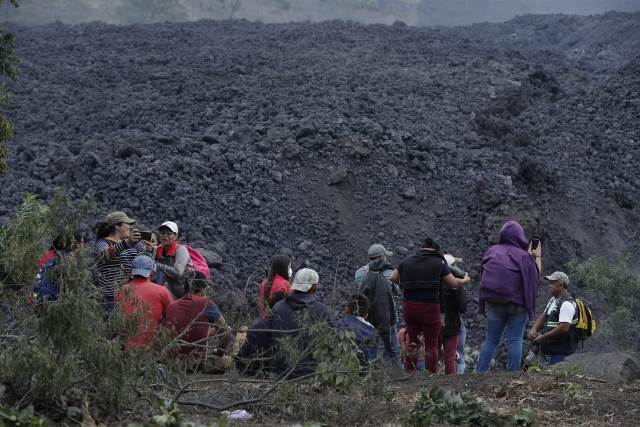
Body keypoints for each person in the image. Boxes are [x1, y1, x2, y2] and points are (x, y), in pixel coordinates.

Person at [390, 238, 470, 373]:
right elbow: (453, 283)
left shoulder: (407, 261)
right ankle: (430, 374)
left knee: (412, 341)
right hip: (430, 307)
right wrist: (465, 280)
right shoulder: (438, 262)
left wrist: (407, 283)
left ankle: (410, 372)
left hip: (409, 306)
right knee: (431, 343)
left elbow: (392, 277)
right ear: (436, 251)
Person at [475, 221, 542, 373]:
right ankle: (512, 375)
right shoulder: (524, 256)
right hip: (517, 305)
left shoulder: (492, 251)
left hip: (493, 302)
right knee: (515, 340)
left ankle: (479, 373)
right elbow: (535, 278)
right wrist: (537, 257)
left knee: (491, 340)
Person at [269, 268, 333, 378]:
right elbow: (331, 344)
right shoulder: (323, 311)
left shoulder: (277, 308)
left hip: (279, 373)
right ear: (313, 288)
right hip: (310, 375)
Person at [166, 271, 228, 370]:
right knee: (229, 329)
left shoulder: (172, 306)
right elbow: (224, 330)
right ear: (203, 287)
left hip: (173, 361)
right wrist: (219, 353)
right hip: (195, 364)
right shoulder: (206, 303)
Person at [355, 244, 401, 368]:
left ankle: (371, 375)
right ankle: (398, 374)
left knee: (370, 349)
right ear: (381, 257)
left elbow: (361, 292)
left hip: (367, 316)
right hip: (387, 316)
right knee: (393, 350)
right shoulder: (389, 273)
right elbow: (394, 291)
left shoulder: (359, 273)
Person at [116, 255, 173, 348]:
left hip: (125, 346)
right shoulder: (162, 291)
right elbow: (172, 315)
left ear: (132, 271)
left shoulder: (122, 290)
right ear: (152, 271)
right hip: (151, 347)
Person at [94, 211, 145, 312]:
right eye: (128, 224)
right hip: (109, 296)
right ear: (117, 225)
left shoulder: (131, 242)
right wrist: (127, 243)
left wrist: (148, 249)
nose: (131, 227)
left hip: (129, 294)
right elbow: (104, 255)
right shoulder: (102, 243)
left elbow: (146, 259)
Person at [527, 271, 577, 365]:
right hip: (549, 349)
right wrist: (534, 329)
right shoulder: (553, 300)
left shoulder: (567, 304)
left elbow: (564, 327)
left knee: (555, 377)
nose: (549, 286)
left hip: (560, 352)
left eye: (552, 283)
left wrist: (543, 337)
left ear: (561, 285)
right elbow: (544, 316)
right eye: (549, 283)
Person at [31, 231, 84, 306]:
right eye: (82, 241)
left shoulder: (53, 255)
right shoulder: (63, 259)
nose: (83, 244)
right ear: (77, 244)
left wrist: (34, 295)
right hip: (49, 298)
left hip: (39, 295)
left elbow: (37, 277)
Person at [440, 253, 467, 375]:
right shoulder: (456, 285)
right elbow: (462, 308)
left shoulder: (435, 282)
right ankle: (453, 384)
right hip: (452, 324)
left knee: (433, 353)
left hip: (436, 322)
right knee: (452, 356)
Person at [154, 221, 192, 299]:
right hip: (173, 290)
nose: (165, 236)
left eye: (169, 233)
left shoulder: (181, 250)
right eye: (162, 233)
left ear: (175, 236)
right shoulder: (159, 249)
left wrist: (157, 266)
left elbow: (177, 272)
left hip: (189, 291)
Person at [335, 293, 377, 364]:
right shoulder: (373, 331)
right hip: (364, 370)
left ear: (347, 309)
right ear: (366, 315)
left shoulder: (340, 325)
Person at [258, 254, 292, 319]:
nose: (290, 269)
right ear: (284, 268)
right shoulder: (285, 285)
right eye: (289, 267)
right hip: (280, 319)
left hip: (264, 318)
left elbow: (262, 303)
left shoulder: (265, 282)